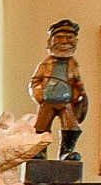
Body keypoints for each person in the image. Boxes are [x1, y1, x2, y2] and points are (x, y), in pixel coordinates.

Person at [30, 19, 88, 162]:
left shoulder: (73, 63)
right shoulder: (45, 64)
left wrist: (78, 93)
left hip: (66, 102)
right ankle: (40, 152)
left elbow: (77, 81)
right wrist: (41, 95)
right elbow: (35, 81)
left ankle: (66, 152)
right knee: (41, 127)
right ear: (51, 41)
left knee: (71, 126)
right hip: (48, 102)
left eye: (69, 38)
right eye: (59, 37)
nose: (64, 41)